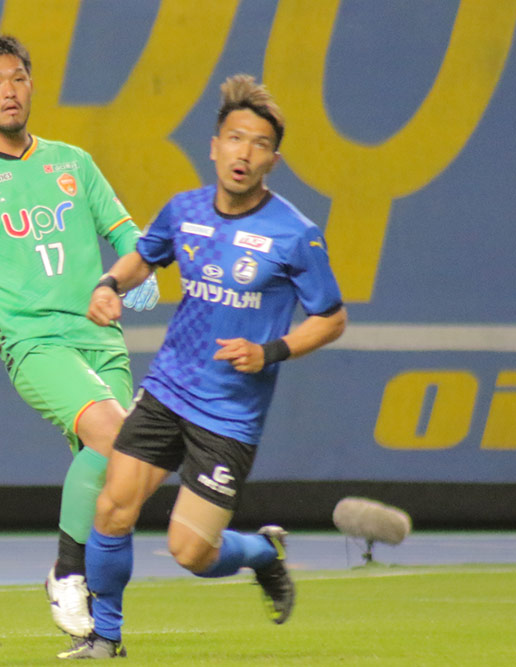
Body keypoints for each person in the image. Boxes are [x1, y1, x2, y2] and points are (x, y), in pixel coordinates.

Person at [59, 74, 347, 659]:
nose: (245, 153)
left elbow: (332, 318)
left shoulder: (295, 235)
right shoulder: (184, 210)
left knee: (190, 553)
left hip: (230, 415)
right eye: (235, 138)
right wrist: (110, 283)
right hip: (168, 390)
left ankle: (262, 553)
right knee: (112, 508)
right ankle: (105, 638)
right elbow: (144, 256)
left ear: (273, 160)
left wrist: (270, 352)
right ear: (214, 146)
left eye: (260, 144)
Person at [0, 35, 159, 641]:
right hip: (34, 342)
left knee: (118, 473)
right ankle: (67, 573)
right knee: (115, 435)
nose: (9, 91)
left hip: (102, 338)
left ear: (31, 85)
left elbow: (127, 234)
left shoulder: (73, 162)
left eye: (18, 78)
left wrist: (138, 270)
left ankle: (101, 635)